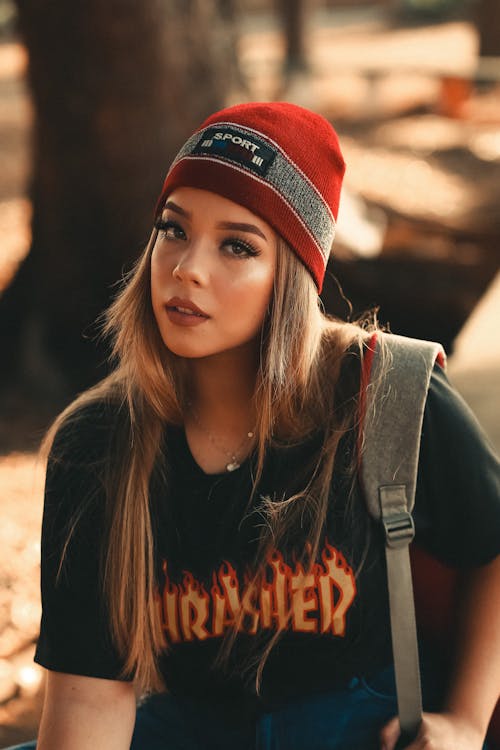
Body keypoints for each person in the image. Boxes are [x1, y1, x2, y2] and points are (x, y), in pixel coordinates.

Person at [8, 102, 500, 750]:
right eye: (173, 229)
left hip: (360, 729)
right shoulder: (98, 443)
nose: (186, 268)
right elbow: (89, 706)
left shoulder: (389, 393)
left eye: (237, 245)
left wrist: (465, 720)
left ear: (292, 275)